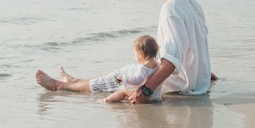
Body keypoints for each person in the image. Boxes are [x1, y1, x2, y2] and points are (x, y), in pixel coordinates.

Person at [129, 0, 213, 104]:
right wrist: (204, 73)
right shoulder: (193, 3)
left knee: (116, 80)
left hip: (182, 87)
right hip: (199, 84)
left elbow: (172, 59)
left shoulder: (170, 9)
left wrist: (146, 90)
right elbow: (196, 45)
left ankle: (74, 84)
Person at [35, 35, 163, 103]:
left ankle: (59, 85)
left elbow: (138, 79)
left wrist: (124, 78)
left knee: (103, 83)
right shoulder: (157, 64)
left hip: (136, 91)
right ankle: (73, 80)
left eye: (134, 54)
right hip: (149, 94)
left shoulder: (142, 69)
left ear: (141, 55)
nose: (134, 56)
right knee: (105, 80)